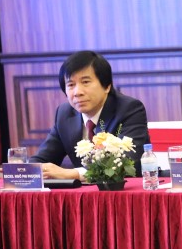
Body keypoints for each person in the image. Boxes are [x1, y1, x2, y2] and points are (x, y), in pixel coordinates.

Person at [30, 51, 149, 180]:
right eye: (71, 85)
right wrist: (25, 170)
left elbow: (127, 162)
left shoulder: (129, 109)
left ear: (107, 86)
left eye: (85, 82)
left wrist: (72, 174)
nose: (77, 92)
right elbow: (42, 159)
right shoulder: (64, 114)